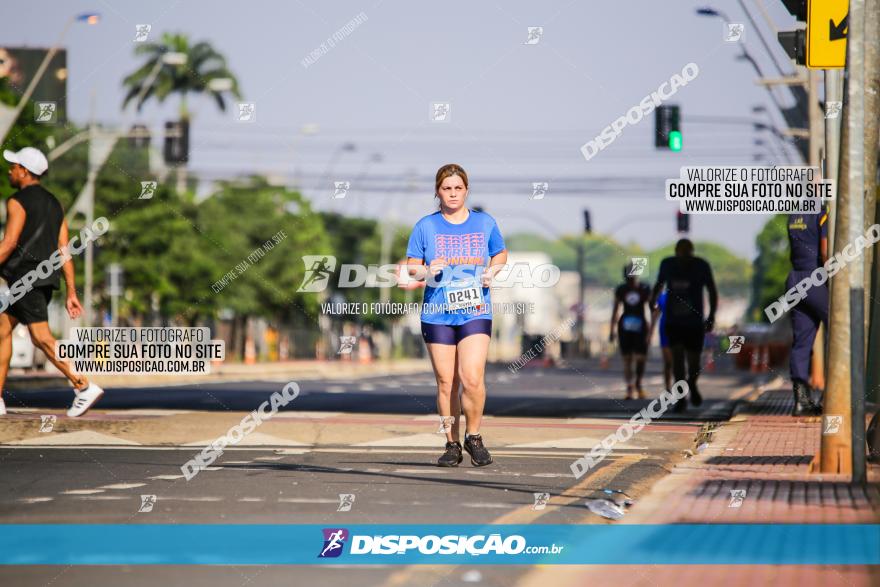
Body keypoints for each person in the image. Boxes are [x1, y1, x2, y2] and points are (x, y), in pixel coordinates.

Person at [405, 164, 507, 467]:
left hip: (475, 310)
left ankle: (473, 437)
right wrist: (426, 270)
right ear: (438, 191)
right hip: (437, 313)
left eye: (458, 188)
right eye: (446, 188)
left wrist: (492, 272)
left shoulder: (484, 223)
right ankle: (451, 443)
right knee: (446, 381)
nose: (452, 193)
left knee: (472, 378)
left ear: (466, 190)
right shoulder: (426, 226)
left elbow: (500, 253)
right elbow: (412, 265)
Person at [0, 147, 104, 417]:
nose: (10, 170)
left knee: (41, 338)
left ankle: (82, 385)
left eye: (14, 166)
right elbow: (64, 250)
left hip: (25, 279)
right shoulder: (54, 204)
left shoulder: (17, 201)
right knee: (1, 331)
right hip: (43, 280)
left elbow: (9, 243)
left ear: (24, 171)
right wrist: (71, 290)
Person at [650, 239, 718, 412]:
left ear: (692, 252)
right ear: (676, 252)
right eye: (681, 252)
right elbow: (659, 284)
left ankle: (692, 385)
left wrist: (711, 316)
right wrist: (652, 300)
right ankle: (680, 398)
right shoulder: (667, 264)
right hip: (674, 322)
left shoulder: (701, 266)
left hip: (694, 323)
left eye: (687, 252)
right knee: (678, 362)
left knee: (694, 363)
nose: (684, 255)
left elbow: (711, 290)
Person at [786, 207, 827, 416]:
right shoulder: (822, 212)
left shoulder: (794, 215)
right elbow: (825, 251)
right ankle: (833, 396)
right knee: (842, 330)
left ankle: (800, 401)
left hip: (794, 280)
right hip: (816, 278)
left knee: (801, 342)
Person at [609, 262, 651, 399]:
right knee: (627, 359)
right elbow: (615, 310)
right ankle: (629, 387)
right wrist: (611, 330)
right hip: (625, 327)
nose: (630, 277)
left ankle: (638, 382)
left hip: (641, 327)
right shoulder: (621, 289)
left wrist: (651, 330)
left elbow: (652, 308)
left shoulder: (644, 288)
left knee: (640, 359)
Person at [649, 288, 673, 394]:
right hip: (665, 330)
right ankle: (668, 388)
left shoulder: (685, 294)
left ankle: (679, 386)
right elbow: (655, 314)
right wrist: (650, 333)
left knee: (678, 361)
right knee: (668, 361)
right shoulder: (662, 296)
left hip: (681, 329)